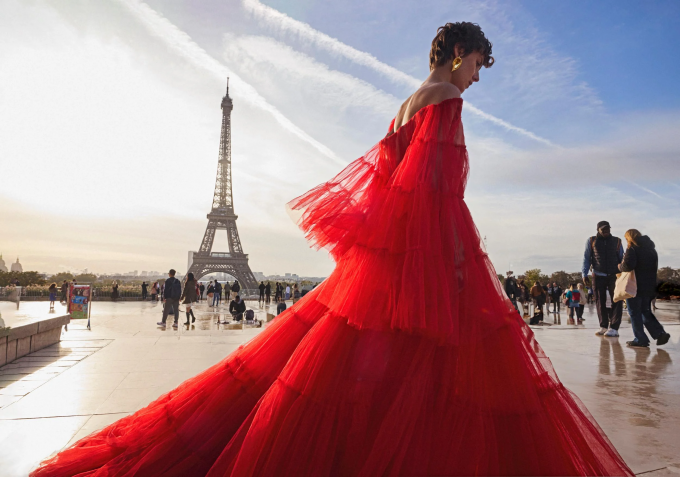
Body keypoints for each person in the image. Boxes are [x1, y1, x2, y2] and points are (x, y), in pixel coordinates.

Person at [33, 23, 632, 477]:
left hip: (387, 262)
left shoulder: (407, 105)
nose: (478, 76)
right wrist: (454, 265)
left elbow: (390, 188)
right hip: (424, 257)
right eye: (478, 63)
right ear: (457, 55)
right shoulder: (447, 100)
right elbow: (436, 192)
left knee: (356, 372)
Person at [620, 229, 671, 348]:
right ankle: (660, 333)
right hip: (649, 286)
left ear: (629, 238)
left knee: (634, 312)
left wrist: (619, 266)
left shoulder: (632, 248)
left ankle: (640, 339)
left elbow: (627, 266)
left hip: (635, 286)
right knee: (645, 311)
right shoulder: (651, 250)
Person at [583, 221, 625, 337]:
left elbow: (622, 258)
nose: (606, 232)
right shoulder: (591, 241)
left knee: (617, 300)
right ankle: (603, 326)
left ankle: (614, 328)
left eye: (608, 229)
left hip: (615, 275)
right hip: (598, 274)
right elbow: (586, 258)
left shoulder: (617, 241)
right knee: (599, 301)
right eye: (603, 230)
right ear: (598, 230)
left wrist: (624, 273)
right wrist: (584, 274)